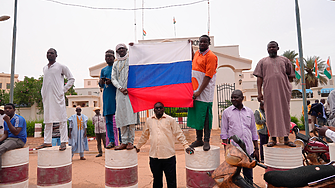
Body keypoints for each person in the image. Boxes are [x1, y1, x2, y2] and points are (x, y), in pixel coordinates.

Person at [136, 102, 194, 188]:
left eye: (160, 108)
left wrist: (186, 146)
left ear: (164, 109)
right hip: (154, 157)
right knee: (157, 181)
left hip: (168, 156)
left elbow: (179, 133)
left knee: (171, 181)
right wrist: (138, 147)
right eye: (157, 108)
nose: (159, 109)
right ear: (154, 109)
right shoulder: (149, 121)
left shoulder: (170, 120)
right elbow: (144, 136)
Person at [253, 41, 296, 147]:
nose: (271, 49)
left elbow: (291, 75)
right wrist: (259, 93)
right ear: (267, 49)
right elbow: (259, 78)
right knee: (270, 114)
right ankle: (272, 138)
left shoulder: (285, 60)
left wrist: (283, 84)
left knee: (285, 113)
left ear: (278, 48)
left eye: (273, 47)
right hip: (269, 91)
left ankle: (286, 138)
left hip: (283, 91)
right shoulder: (262, 62)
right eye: (269, 47)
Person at [37, 48, 75, 151]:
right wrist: (42, 92)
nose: (49, 54)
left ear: (56, 55)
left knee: (62, 119)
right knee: (47, 120)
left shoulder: (61, 67)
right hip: (47, 97)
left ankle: (63, 141)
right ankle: (47, 142)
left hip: (58, 96)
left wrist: (63, 90)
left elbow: (71, 78)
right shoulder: (45, 68)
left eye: (52, 53)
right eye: (48, 53)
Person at [221, 90, 259, 183]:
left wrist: (256, 149)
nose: (233, 99)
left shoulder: (249, 112)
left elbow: (253, 130)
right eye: (232, 98)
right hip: (235, 151)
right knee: (234, 175)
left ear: (242, 98)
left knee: (248, 176)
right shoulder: (226, 112)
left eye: (236, 97)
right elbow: (224, 132)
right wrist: (226, 149)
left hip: (248, 149)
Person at [187, 35, 218, 151]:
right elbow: (191, 60)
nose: (202, 44)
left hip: (205, 91)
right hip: (195, 90)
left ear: (209, 43)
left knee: (205, 117)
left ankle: (206, 140)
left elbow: (208, 76)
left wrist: (199, 91)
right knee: (197, 116)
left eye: (205, 42)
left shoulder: (211, 56)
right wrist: (189, 48)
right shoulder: (197, 54)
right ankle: (198, 139)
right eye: (201, 42)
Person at [112, 43, 139, 150]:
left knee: (131, 118)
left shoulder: (131, 60)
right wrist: (120, 88)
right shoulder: (115, 64)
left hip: (131, 92)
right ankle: (123, 141)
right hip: (120, 93)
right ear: (117, 52)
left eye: (123, 48)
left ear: (126, 50)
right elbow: (113, 78)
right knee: (122, 117)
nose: (121, 50)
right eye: (119, 49)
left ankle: (130, 142)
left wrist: (134, 47)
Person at [99, 49, 119, 149]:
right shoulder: (103, 70)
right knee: (108, 120)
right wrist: (102, 81)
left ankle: (122, 140)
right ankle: (111, 141)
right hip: (107, 96)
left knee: (119, 119)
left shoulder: (118, 67)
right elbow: (100, 85)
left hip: (117, 95)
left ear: (114, 57)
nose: (108, 58)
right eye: (106, 56)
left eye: (110, 56)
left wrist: (112, 81)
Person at [0, 103, 27, 170]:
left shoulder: (18, 119)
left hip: (18, 140)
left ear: (14, 110)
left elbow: (16, 132)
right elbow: (5, 134)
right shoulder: (5, 120)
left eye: (10, 108)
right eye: (6, 108)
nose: (7, 110)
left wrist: (8, 121)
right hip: (9, 139)